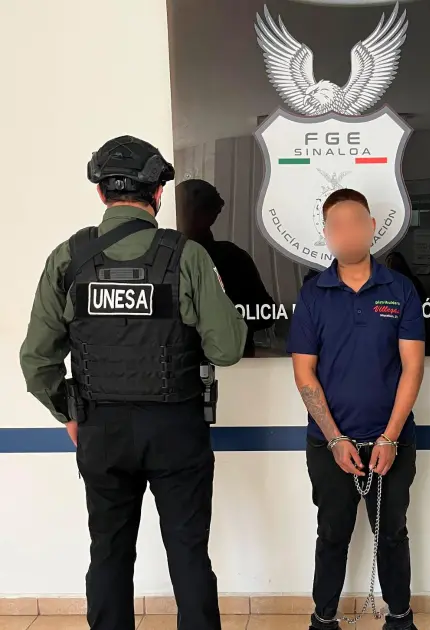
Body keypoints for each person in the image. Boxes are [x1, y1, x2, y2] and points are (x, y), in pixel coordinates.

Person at [19, 136, 248, 630]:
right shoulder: (187, 256)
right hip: (176, 428)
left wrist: (70, 414)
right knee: (188, 552)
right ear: (158, 193)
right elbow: (227, 348)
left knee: (109, 552)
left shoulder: (69, 257)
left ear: (101, 193)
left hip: (102, 430)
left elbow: (36, 360)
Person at [287, 188, 425, 630]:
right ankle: (323, 620)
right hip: (329, 444)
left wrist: (389, 437)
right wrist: (335, 438)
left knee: (393, 534)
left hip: (392, 442)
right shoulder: (313, 295)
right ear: (327, 233)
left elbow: (413, 368)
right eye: (337, 225)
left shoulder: (400, 290)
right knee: (332, 534)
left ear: (371, 228)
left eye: (356, 222)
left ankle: (400, 619)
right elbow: (305, 373)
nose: (347, 232)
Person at [176, 178, 275, 357]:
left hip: (233, 362)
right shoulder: (165, 256)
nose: (191, 217)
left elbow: (266, 313)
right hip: (186, 361)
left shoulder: (232, 258)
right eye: (187, 210)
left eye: (198, 211)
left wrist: (228, 324)